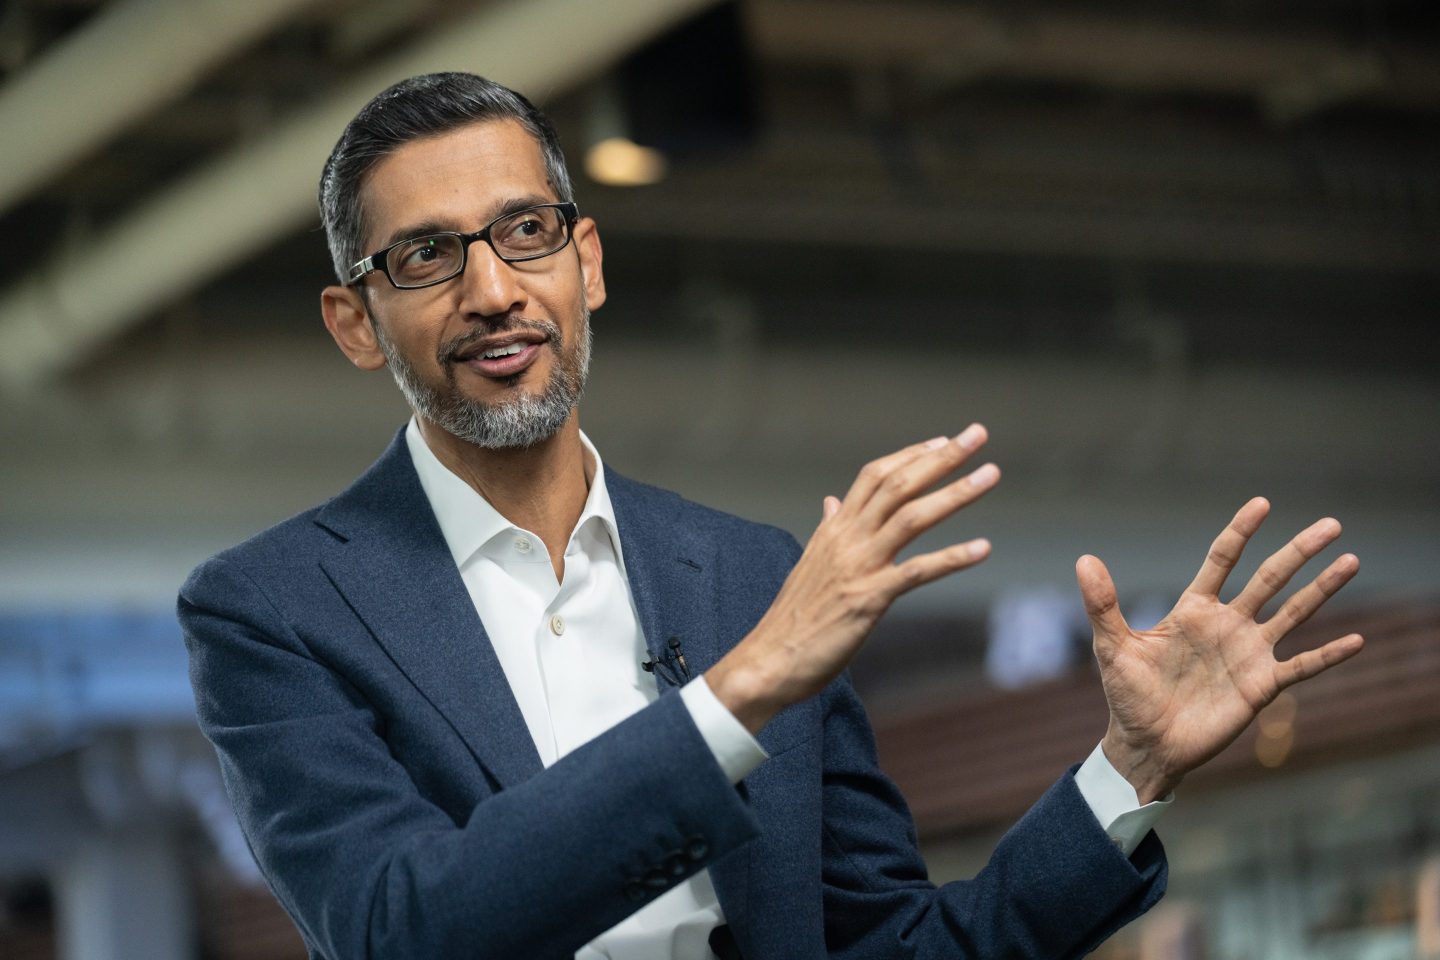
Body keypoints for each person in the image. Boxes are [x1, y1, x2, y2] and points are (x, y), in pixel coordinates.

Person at [178, 72, 1363, 960]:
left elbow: (902, 947)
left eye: (525, 232)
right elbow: (403, 929)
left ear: (586, 261)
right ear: (352, 322)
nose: (494, 290)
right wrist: (739, 695)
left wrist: (1126, 772)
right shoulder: (271, 610)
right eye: (427, 258)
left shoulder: (747, 573)